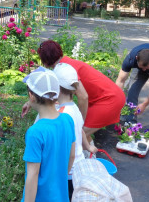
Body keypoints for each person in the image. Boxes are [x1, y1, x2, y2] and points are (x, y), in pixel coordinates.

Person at [25, 40, 125, 147]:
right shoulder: (65, 63)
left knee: (77, 134)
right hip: (110, 96)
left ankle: (86, 160)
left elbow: (83, 96)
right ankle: (89, 156)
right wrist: (29, 103)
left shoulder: (66, 69)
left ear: (44, 59)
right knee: (82, 133)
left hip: (109, 100)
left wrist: (79, 121)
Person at [22, 68, 76, 202]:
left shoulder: (36, 132)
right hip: (61, 196)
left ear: (31, 96)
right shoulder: (67, 119)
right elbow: (72, 155)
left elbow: (32, 175)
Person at [53, 63, 98, 199]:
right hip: (79, 169)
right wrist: (88, 146)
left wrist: (60, 175)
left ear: (57, 88)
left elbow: (67, 151)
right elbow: (80, 130)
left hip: (67, 171)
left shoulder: (61, 114)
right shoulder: (74, 108)